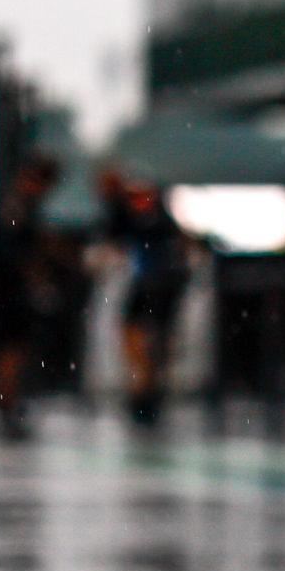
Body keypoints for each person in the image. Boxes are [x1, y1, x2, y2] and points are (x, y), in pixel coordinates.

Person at [100, 171, 191, 426]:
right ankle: (145, 390)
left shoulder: (152, 221)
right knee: (145, 340)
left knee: (150, 340)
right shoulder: (136, 219)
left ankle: (147, 391)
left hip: (155, 286)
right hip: (152, 286)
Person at [0, 154, 63, 437]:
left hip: (5, 290)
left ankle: (6, 402)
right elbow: (15, 253)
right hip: (8, 291)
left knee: (11, 350)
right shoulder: (18, 207)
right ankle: (5, 403)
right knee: (11, 350)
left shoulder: (20, 205)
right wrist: (35, 281)